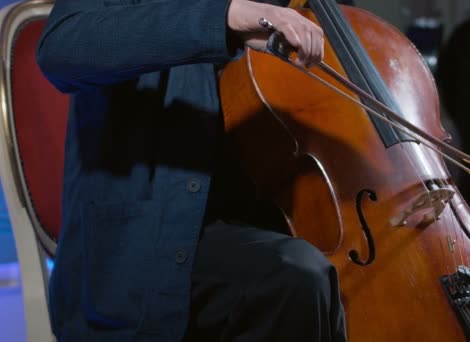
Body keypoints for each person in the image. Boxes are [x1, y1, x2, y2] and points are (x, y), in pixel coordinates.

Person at [36, 0, 347, 340]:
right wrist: (226, 16)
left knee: (325, 285)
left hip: (249, 228)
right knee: (295, 277)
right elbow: (61, 47)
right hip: (142, 241)